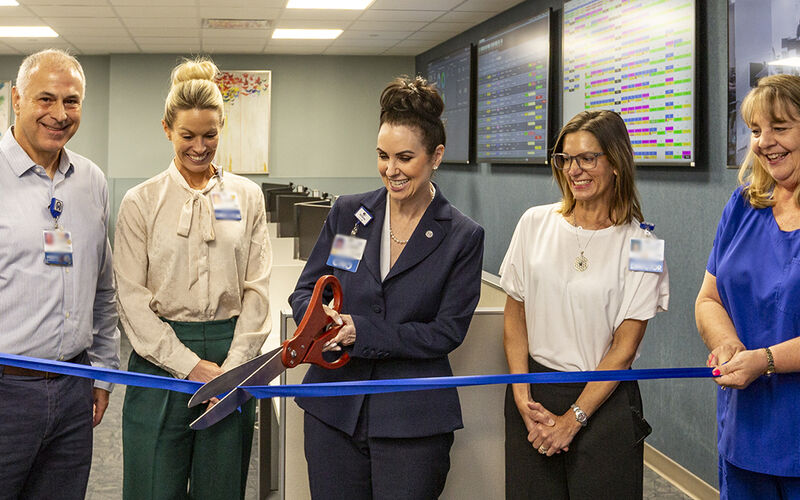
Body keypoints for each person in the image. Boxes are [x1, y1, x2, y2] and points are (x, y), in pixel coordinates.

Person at [288, 75, 484, 499]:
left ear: (436, 156)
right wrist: (325, 321)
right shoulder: (351, 215)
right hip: (333, 410)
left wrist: (363, 331)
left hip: (412, 422)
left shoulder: (461, 237)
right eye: (382, 156)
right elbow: (309, 290)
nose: (390, 170)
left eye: (405, 158)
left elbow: (446, 332)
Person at [113, 57, 272, 500]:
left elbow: (257, 290)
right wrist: (190, 366)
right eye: (187, 136)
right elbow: (130, 298)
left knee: (221, 489)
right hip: (160, 360)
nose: (199, 147)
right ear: (167, 128)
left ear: (222, 128)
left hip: (231, 360)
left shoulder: (247, 197)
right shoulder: (140, 202)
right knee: (152, 487)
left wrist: (232, 370)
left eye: (210, 135)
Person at [500, 110, 669, 499]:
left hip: (603, 403)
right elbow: (515, 315)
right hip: (533, 398)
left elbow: (624, 347)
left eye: (587, 158)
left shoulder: (643, 245)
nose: (574, 169)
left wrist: (572, 420)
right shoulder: (533, 223)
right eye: (565, 159)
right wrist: (522, 395)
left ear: (616, 163)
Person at [0, 49, 120, 498]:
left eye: (71, 102)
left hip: (74, 388)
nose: (59, 113)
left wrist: (103, 373)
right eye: (44, 99)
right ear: (16, 99)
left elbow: (102, 289)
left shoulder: (91, 181)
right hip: (6, 390)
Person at [696, 74, 800, 498]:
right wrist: (727, 344)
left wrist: (767, 360)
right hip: (745, 435)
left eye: (780, 127)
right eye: (756, 131)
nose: (764, 142)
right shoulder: (744, 205)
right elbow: (708, 298)